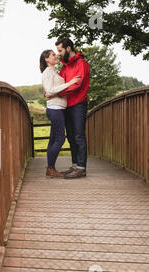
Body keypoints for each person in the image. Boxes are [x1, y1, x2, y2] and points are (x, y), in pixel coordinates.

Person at [49, 38, 91, 179]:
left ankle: (81, 168)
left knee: (79, 135)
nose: (59, 54)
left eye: (60, 50)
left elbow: (77, 85)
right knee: (71, 136)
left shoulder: (81, 64)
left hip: (78, 104)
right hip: (66, 105)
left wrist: (57, 93)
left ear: (68, 48)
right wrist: (50, 91)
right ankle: (75, 165)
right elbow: (59, 83)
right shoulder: (65, 67)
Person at [40, 49, 82, 178]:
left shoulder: (54, 72)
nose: (56, 55)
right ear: (47, 59)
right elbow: (50, 90)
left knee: (53, 139)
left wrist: (50, 93)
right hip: (55, 109)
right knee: (60, 138)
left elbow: (50, 91)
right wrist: (70, 83)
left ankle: (50, 168)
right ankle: (50, 168)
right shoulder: (47, 72)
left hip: (58, 108)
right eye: (53, 54)